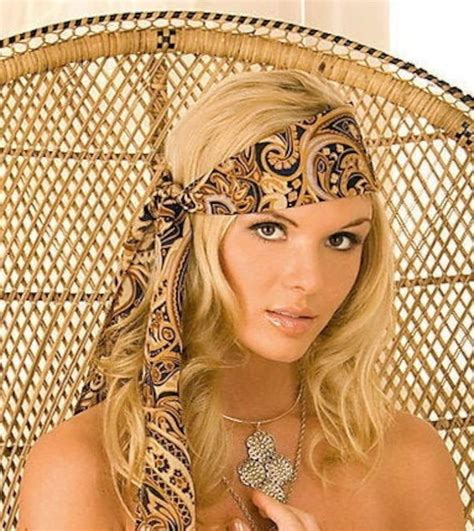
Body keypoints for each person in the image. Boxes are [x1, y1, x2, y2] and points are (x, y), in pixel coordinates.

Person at [18, 70, 465, 531]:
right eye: (269, 229)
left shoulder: (408, 459)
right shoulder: (85, 469)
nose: (310, 279)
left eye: (341, 240)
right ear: (190, 240)